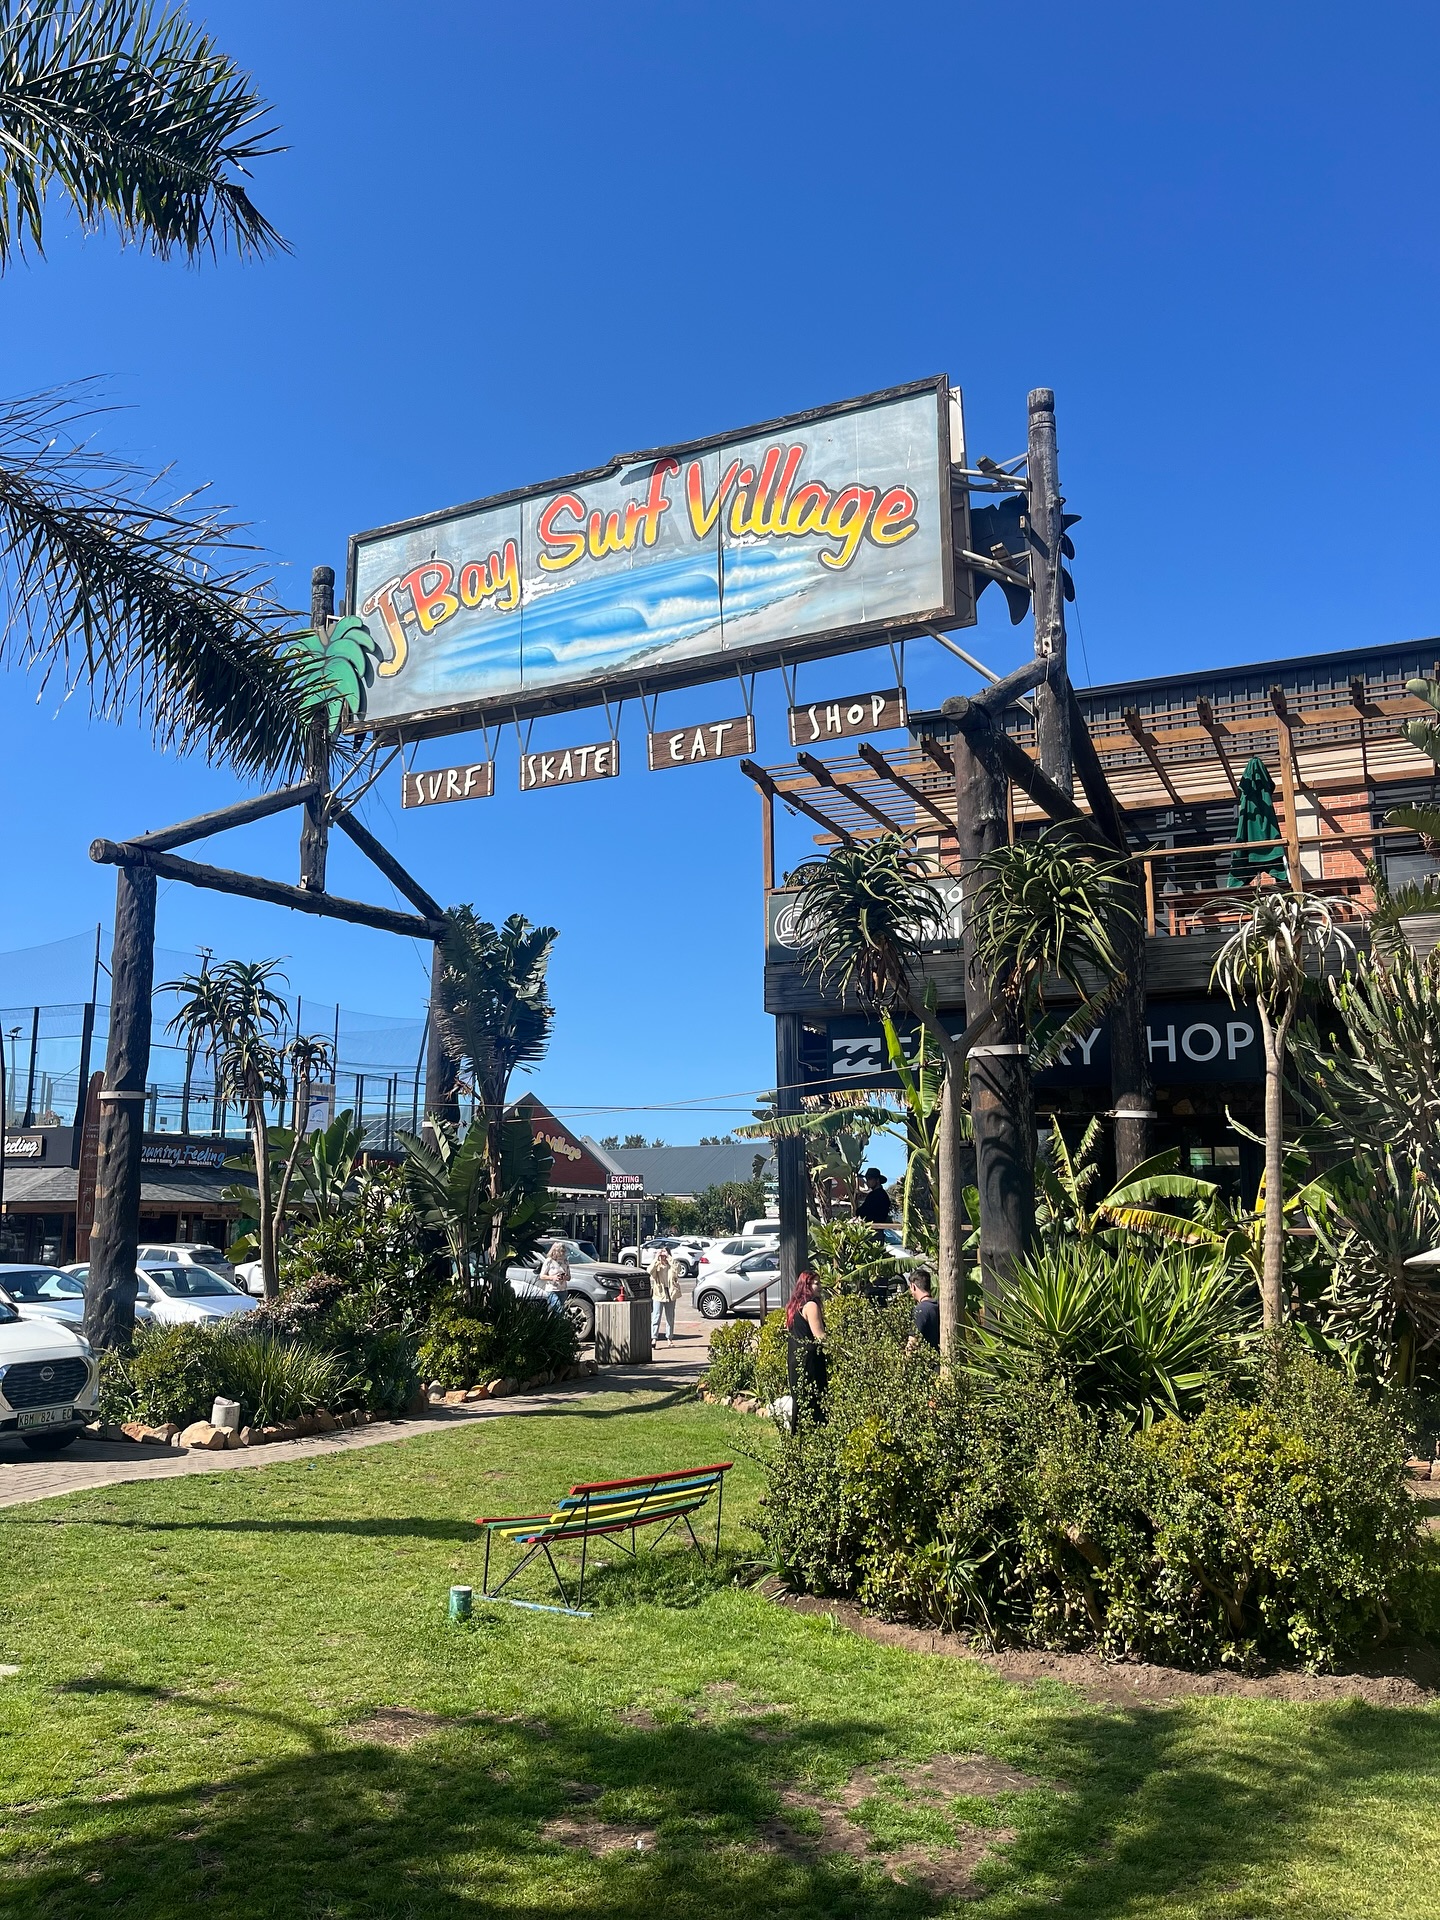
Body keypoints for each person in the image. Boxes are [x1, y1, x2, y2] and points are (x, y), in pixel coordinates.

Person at [785, 1270, 829, 1430]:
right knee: (814, 1400)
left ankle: (799, 1438)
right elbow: (820, 1336)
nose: (820, 1286)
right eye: (816, 1283)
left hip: (795, 1359)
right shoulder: (811, 1306)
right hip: (810, 1361)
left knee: (800, 1400)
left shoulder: (793, 1306)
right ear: (806, 1285)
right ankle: (816, 1435)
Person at [648, 1243, 679, 1344]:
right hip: (659, 1293)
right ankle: (654, 1338)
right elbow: (649, 1271)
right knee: (656, 1316)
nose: (663, 1258)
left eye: (664, 1255)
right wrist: (656, 1258)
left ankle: (669, 1338)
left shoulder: (672, 1265)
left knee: (670, 1317)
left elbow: (678, 1269)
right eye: (662, 1255)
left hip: (670, 1293)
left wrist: (669, 1258)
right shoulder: (657, 1266)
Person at [907, 1269, 940, 1350]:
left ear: (913, 1286)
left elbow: (913, 1341)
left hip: (928, 1359)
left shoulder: (920, 1310)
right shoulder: (939, 1306)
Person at [855, 1167, 894, 1233]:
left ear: (877, 1180)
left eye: (870, 1179)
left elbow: (862, 1212)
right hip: (877, 1230)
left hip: (873, 1230)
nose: (867, 1182)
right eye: (867, 1179)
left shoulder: (876, 1195)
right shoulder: (882, 1194)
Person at [539, 1239, 570, 1313]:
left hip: (563, 1290)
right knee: (559, 1310)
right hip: (552, 1290)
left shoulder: (565, 1261)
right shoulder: (549, 1261)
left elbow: (569, 1277)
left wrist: (565, 1277)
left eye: (564, 1251)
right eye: (561, 1251)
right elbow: (542, 1276)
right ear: (555, 1251)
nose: (562, 1253)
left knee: (558, 1310)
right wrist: (553, 1277)